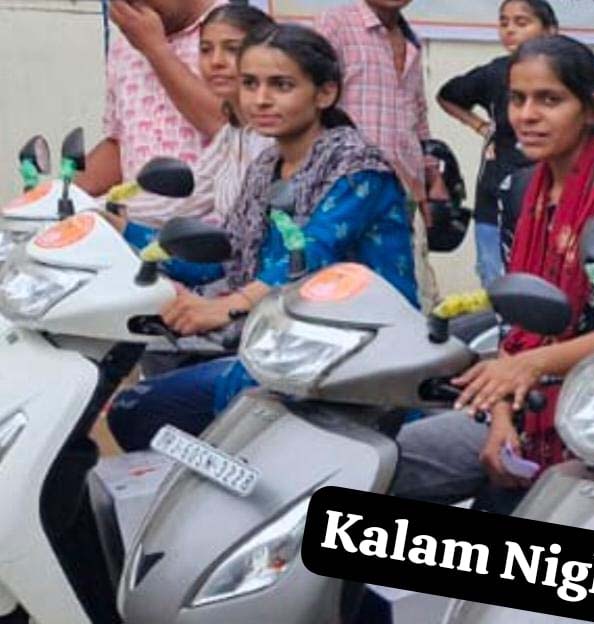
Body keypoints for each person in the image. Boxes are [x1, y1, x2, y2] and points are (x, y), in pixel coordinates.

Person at [392, 34, 594, 501]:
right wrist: (501, 418)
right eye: (518, 99)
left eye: (549, 100)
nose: (527, 115)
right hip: (523, 403)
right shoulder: (518, 189)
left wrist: (528, 367)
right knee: (389, 461)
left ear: (593, 109)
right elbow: (513, 324)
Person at [108, 24, 418, 452]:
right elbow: (226, 256)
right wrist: (127, 234)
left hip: (360, 353)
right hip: (284, 347)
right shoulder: (266, 168)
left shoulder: (357, 168)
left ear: (325, 93)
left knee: (166, 412)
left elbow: (308, 257)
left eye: (281, 85)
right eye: (250, 84)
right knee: (134, 409)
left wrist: (225, 307)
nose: (261, 99)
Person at [314, 0, 442, 309]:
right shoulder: (336, 25)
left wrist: (431, 176)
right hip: (346, 189)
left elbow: (418, 114)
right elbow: (309, 96)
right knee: (343, 295)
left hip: (403, 191)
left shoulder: (411, 41)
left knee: (401, 296)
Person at [437, 0, 559, 287]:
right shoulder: (495, 73)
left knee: (547, 286)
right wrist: (479, 126)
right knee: (497, 286)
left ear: (550, 30)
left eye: (521, 22)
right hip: (495, 198)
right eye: (504, 23)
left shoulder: (567, 75)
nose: (510, 30)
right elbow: (447, 95)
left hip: (551, 198)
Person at [126, 3, 277, 232]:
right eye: (206, 50)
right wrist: (100, 208)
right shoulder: (231, 136)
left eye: (232, 49)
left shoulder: (274, 137)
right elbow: (187, 199)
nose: (216, 61)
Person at [81, 0, 226, 226]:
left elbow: (228, 127)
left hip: (207, 232)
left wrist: (155, 49)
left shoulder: (234, 32)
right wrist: (60, 194)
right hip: (135, 226)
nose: (131, 8)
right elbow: (121, 144)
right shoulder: (126, 45)